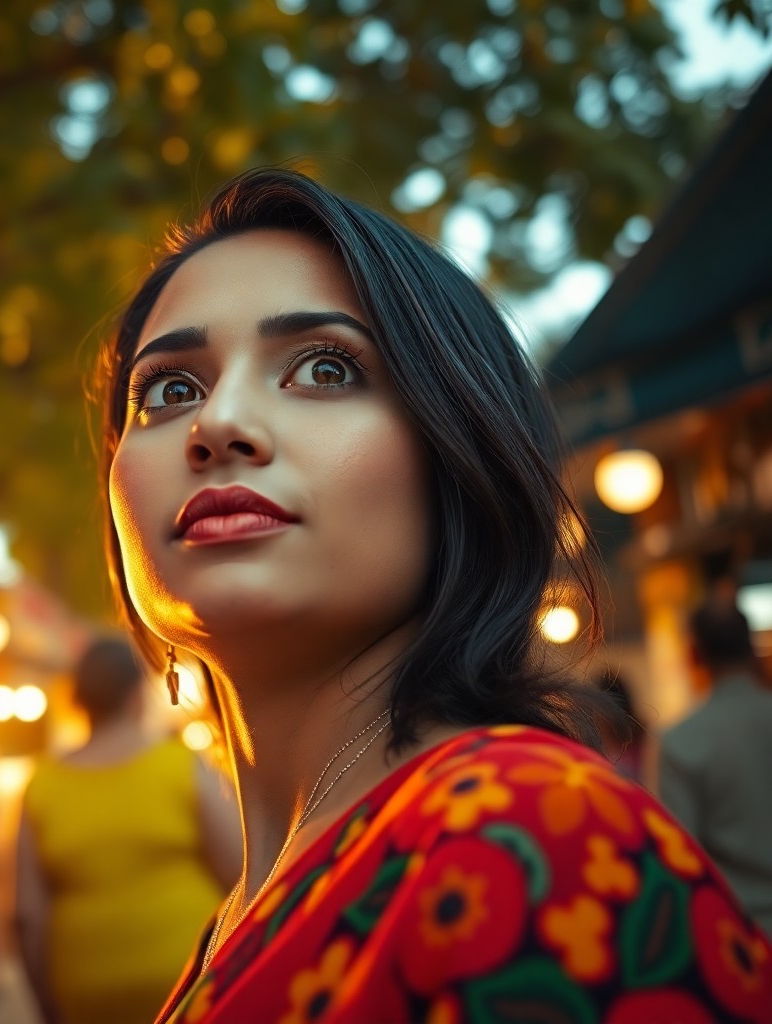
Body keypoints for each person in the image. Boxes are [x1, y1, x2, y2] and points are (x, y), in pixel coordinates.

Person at [95, 167, 772, 1023]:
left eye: (325, 369)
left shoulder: (534, 838)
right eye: (169, 389)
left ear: (459, 452)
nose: (217, 422)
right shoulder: (240, 911)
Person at [14, 635, 241, 1024]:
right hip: (188, 977)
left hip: (86, 988)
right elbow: (241, 871)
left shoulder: (43, 785)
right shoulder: (182, 766)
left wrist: (45, 1003)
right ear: (138, 696)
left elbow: (25, 914)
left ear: (79, 700)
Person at [659, 598, 772, 941]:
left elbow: (684, 860)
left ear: (693, 655)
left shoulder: (682, 741)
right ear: (751, 647)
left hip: (741, 935)